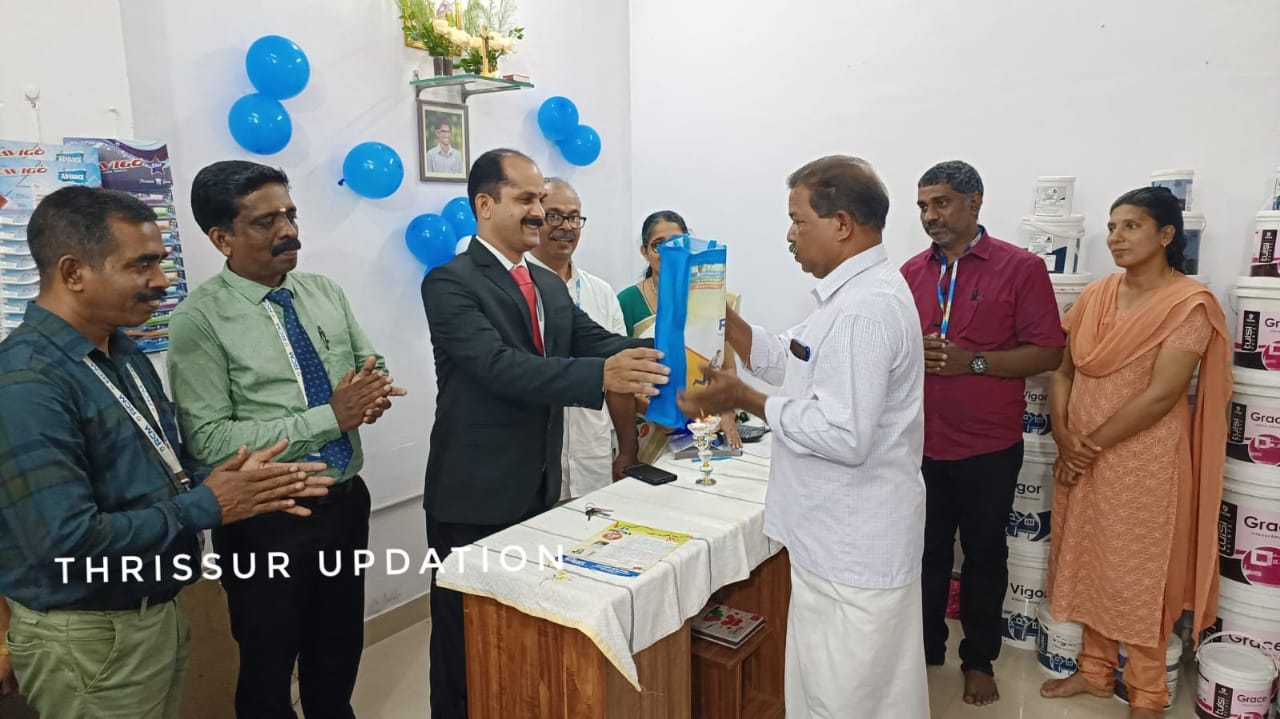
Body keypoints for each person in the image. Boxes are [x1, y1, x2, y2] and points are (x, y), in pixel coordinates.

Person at [0, 186, 330, 719]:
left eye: (160, 261)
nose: (163, 280)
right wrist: (207, 504)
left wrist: (230, 478)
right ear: (73, 272)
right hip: (90, 634)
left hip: (152, 611)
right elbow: (65, 542)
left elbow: (153, 467)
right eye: (142, 265)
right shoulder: (27, 382)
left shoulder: (121, 351)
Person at [420, 148, 669, 719]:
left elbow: (598, 341)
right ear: (485, 205)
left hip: (537, 487)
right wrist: (601, 376)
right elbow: (498, 367)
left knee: (520, 630)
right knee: (463, 639)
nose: (539, 211)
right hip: (474, 493)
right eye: (526, 199)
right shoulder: (450, 282)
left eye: (541, 199)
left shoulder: (545, 283)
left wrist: (673, 351)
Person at [679, 155, 930, 718]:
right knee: (832, 688)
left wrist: (747, 400)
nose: (789, 236)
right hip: (833, 541)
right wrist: (720, 314)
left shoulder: (865, 309)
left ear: (841, 224)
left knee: (849, 699)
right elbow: (786, 357)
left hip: (853, 545)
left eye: (798, 221)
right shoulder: (844, 299)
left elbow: (845, 435)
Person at [168, 160, 403, 719]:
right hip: (266, 520)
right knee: (268, 665)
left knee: (338, 649)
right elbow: (209, 440)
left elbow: (371, 363)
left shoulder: (323, 291)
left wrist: (371, 393)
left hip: (345, 501)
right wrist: (331, 417)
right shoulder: (198, 320)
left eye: (290, 215)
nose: (288, 231)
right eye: (265, 221)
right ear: (221, 238)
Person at [1040, 187, 1230, 719]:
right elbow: (1063, 370)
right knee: (1089, 558)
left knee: (1139, 573)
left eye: (1130, 226)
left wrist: (1087, 446)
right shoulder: (1097, 294)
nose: (1115, 238)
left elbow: (1162, 395)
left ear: (1166, 235)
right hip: (1081, 454)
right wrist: (1063, 435)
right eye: (1111, 226)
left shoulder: (1188, 304)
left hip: (1144, 462)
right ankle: (1095, 671)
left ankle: (1147, 694)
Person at [900, 160, 1065, 705]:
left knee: (984, 555)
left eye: (941, 202)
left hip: (988, 446)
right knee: (923, 552)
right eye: (923, 206)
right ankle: (923, 649)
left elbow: (1048, 353)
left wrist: (972, 362)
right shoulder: (909, 273)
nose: (930, 216)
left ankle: (978, 660)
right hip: (919, 442)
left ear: (975, 202)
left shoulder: (1020, 268)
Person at [527, 176, 640, 497]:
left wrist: (628, 449)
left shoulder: (600, 292)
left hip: (593, 456)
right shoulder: (515, 290)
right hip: (533, 465)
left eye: (574, 217)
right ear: (534, 218)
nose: (566, 227)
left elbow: (620, 379)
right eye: (554, 216)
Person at [616, 210, 741, 460]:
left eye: (677, 243)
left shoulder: (710, 297)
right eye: (658, 245)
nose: (668, 252)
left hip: (705, 426)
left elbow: (726, 367)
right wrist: (659, 413)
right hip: (649, 429)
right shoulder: (628, 301)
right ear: (645, 251)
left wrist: (727, 413)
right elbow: (620, 378)